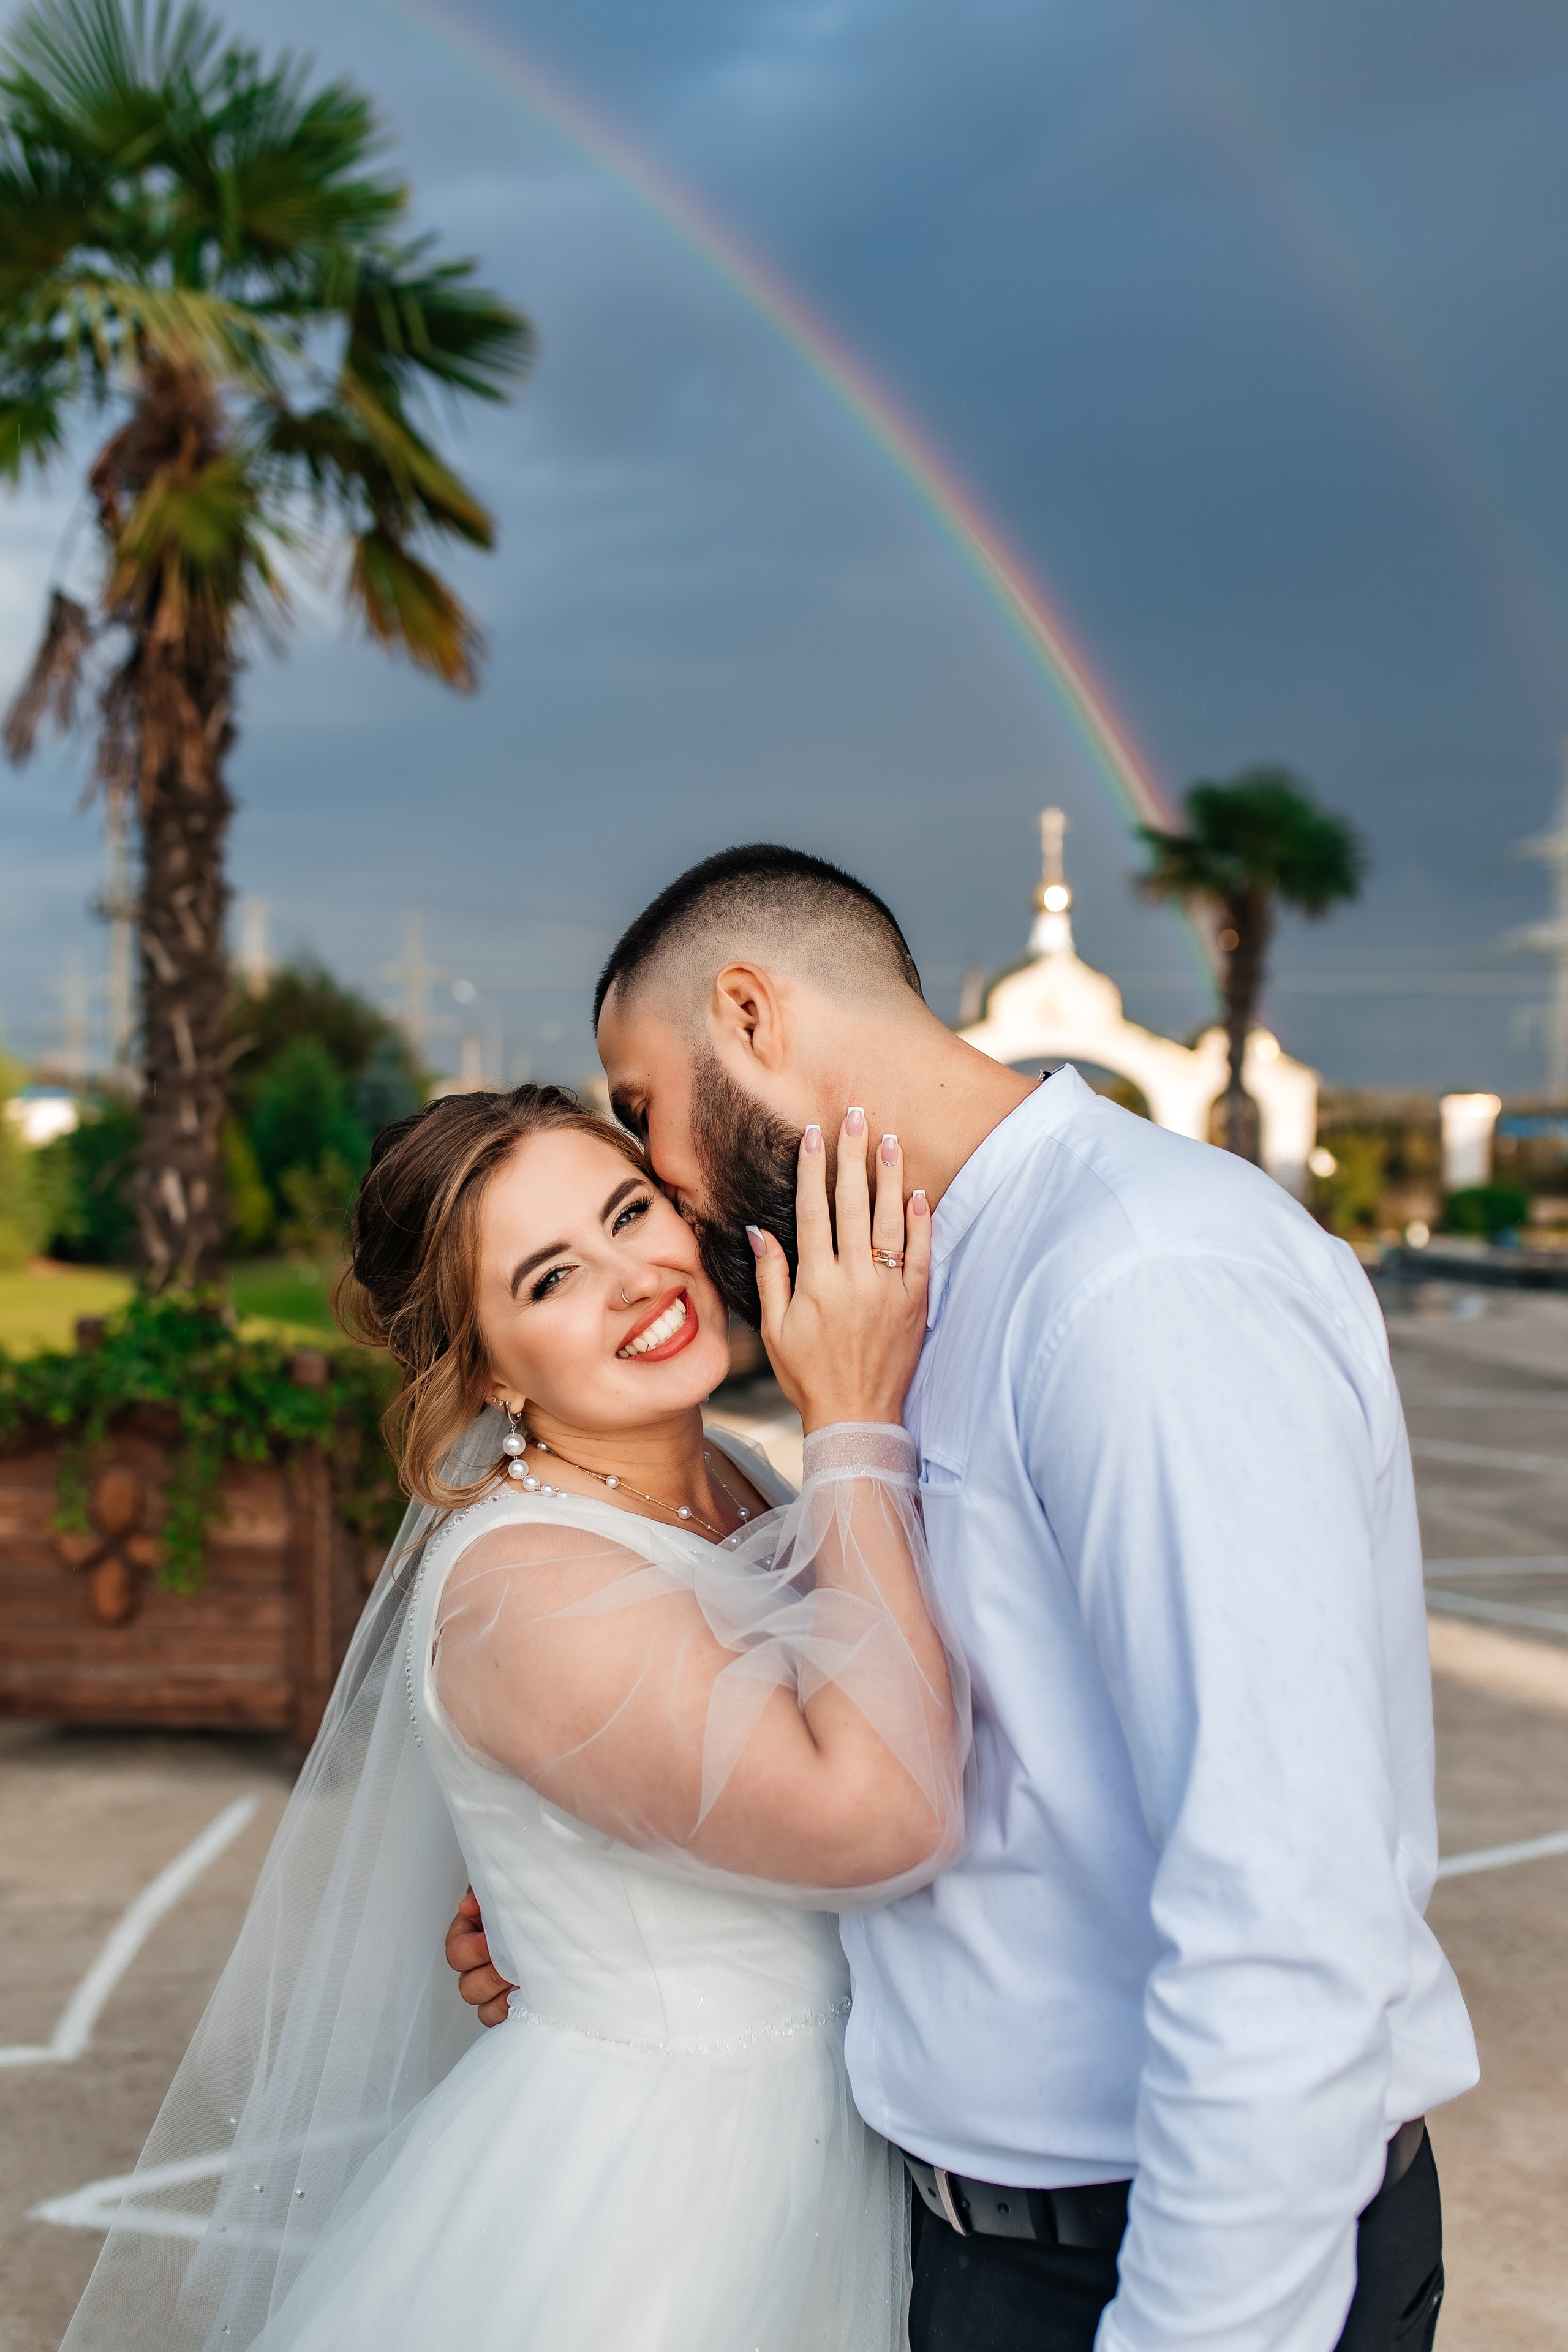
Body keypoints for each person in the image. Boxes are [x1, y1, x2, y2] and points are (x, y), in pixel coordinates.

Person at [450, 843, 1477, 2352]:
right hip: (971, 2240)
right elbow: (948, 1741)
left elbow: (1285, 1911)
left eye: (638, 1112)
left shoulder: (1140, 1284)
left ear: (747, 1014)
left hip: (1160, 2257)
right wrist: (616, 1900)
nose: (660, 1181)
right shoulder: (904, 1291)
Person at [58, 1084, 968, 2352]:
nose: (632, 1279)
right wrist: (858, 1418)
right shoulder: (523, 1589)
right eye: (548, 1278)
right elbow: (874, 1817)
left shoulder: (737, 1475)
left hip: (828, 2133)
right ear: (481, 1361)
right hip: (669, 2198)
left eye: (629, 1212)